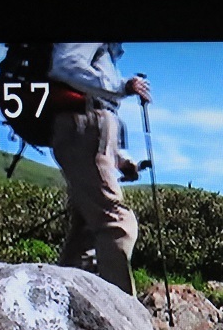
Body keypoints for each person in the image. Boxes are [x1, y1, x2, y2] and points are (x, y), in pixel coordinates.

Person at [48, 43, 151, 296]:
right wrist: (122, 86)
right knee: (118, 224)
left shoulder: (105, 51)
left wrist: (123, 161)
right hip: (81, 125)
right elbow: (65, 64)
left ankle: (65, 303)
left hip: (84, 131)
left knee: (85, 232)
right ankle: (123, 318)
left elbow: (102, 118)